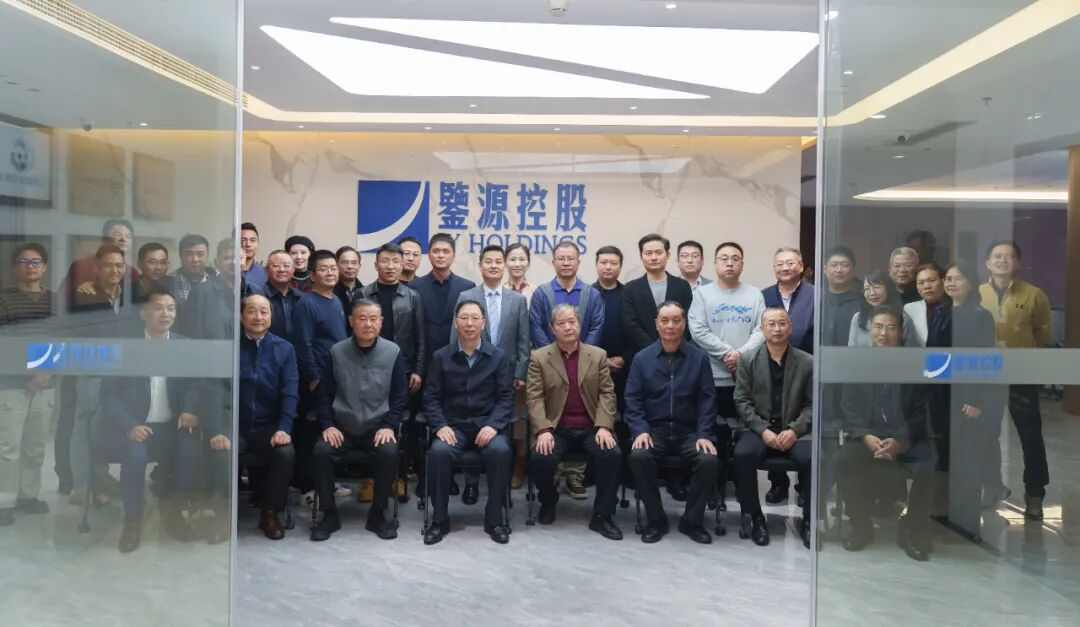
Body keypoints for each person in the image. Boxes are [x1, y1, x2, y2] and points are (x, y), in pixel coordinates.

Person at [101, 287, 202, 552]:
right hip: (136, 428)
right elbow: (109, 395)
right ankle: (132, 518)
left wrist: (190, 410)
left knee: (190, 451)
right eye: (158, 308)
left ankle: (174, 512)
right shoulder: (126, 347)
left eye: (171, 309)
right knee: (135, 456)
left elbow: (194, 385)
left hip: (172, 425)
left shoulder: (184, 346)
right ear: (144, 313)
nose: (165, 314)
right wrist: (129, 426)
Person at [838, 305, 934, 561]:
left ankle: (911, 528)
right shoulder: (857, 364)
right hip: (867, 437)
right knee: (843, 461)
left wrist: (901, 440)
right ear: (870, 331)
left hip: (905, 438)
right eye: (878, 327)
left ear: (901, 332)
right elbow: (848, 406)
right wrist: (865, 436)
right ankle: (860, 524)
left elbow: (923, 409)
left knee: (928, 465)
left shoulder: (915, 364)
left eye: (891, 328)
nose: (884, 333)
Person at [310, 298, 407, 541]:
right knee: (321, 451)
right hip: (342, 427)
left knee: (389, 452)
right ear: (351, 321)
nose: (368, 324)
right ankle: (329, 513)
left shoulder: (393, 352)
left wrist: (389, 426)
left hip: (377, 427)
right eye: (362, 318)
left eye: (373, 319)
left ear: (381, 322)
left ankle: (378, 513)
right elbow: (324, 395)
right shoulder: (336, 352)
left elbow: (399, 396)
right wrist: (328, 425)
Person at [625, 301, 719, 544]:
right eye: (664, 320)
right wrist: (640, 430)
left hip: (689, 432)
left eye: (676, 320)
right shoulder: (642, 358)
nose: (670, 325)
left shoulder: (698, 358)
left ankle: (692, 521)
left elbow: (707, 399)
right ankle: (656, 519)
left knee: (708, 460)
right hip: (654, 431)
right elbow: (633, 400)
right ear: (656, 324)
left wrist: (704, 434)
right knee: (639, 457)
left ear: (684, 324)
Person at [527, 304, 623, 540]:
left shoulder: (597, 355)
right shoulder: (539, 357)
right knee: (541, 458)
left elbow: (608, 394)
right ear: (552, 328)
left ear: (580, 325)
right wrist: (543, 429)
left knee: (611, 454)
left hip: (591, 426)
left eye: (572, 321)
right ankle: (548, 500)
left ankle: (602, 515)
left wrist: (604, 426)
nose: (568, 327)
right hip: (556, 428)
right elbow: (534, 397)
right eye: (561, 323)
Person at [422, 300, 515, 545]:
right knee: (438, 452)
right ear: (456, 322)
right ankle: (439, 520)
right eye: (464, 318)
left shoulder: (498, 357)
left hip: (488, 426)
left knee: (501, 451)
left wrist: (493, 425)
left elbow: (506, 397)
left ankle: (495, 519)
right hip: (454, 426)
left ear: (483, 323)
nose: (470, 323)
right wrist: (441, 426)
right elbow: (430, 397)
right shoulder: (441, 357)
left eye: (475, 318)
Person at [979, 240, 1051, 521]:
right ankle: (993, 486)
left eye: (1009, 256)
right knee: (986, 435)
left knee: (1030, 436)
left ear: (1018, 263)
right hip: (987, 376)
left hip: (1021, 376)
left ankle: (1034, 494)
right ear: (987, 263)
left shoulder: (1034, 295)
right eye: (996, 256)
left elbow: (1042, 335)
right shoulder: (977, 294)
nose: (1002, 261)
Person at [688, 241, 765, 505]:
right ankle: (714, 488)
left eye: (735, 258)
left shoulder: (754, 294)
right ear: (715, 263)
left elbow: (762, 329)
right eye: (724, 258)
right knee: (714, 434)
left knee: (745, 435)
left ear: (742, 264)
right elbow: (698, 330)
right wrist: (727, 354)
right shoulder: (702, 294)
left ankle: (742, 489)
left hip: (745, 378)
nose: (729, 263)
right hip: (711, 378)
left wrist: (741, 354)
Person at [451, 245, 530, 492]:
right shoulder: (466, 296)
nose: (494, 265)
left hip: (507, 376)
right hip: (473, 374)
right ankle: (472, 481)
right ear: (480, 265)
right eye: (489, 261)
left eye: (498, 261)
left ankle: (501, 482)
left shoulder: (517, 300)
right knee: (474, 420)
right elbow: (455, 337)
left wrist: (520, 372)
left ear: (504, 265)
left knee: (501, 425)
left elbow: (523, 340)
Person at [733, 308, 813, 549]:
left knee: (813, 458)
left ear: (790, 327)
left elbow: (813, 404)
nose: (777, 329)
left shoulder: (807, 362)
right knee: (742, 455)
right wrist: (763, 429)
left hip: (795, 430)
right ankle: (755, 517)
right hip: (760, 429)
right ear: (762, 329)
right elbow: (742, 401)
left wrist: (795, 430)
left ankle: (809, 520)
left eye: (781, 324)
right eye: (771, 324)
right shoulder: (748, 359)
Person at [943, 261, 1009, 525]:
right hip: (946, 392)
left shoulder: (980, 315)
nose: (951, 283)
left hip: (968, 395)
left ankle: (967, 519)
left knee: (968, 457)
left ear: (971, 283)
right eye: (948, 278)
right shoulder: (943, 311)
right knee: (952, 456)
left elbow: (984, 360)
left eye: (958, 278)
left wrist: (975, 399)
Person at [359, 243, 425, 501]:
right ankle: (369, 478)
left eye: (395, 261)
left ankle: (398, 478)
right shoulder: (363, 293)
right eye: (385, 261)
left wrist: (418, 370)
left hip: (403, 370)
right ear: (376, 264)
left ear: (402, 264)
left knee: (401, 425)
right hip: (367, 369)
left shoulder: (412, 296)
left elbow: (421, 337)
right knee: (368, 423)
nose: (390, 266)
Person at [0, 243, 55, 525]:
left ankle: (27, 496)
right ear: (15, 267)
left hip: (46, 383)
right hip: (10, 384)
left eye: (35, 262)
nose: (30, 266)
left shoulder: (56, 302)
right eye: (23, 262)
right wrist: (28, 375)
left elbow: (63, 341)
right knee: (8, 447)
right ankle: (4, 502)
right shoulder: (4, 300)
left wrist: (46, 372)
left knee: (35, 445)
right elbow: (4, 343)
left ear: (44, 267)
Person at [237, 293, 298, 540]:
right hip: (235, 426)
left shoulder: (284, 349)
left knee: (285, 453)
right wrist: (220, 429)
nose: (258, 317)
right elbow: (219, 391)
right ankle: (219, 514)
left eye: (264, 311)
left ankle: (270, 512)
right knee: (217, 452)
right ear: (241, 316)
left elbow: (290, 392)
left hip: (267, 427)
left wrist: (284, 428)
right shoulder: (231, 347)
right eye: (251, 311)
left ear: (271, 316)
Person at [291, 250, 349, 504]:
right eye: (323, 269)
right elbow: (303, 345)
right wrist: (313, 378)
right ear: (312, 275)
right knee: (310, 434)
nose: (330, 273)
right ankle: (308, 489)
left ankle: (327, 484)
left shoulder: (335, 300)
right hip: (315, 381)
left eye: (333, 268)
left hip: (335, 379)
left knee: (328, 433)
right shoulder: (307, 304)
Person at [622, 233, 694, 360]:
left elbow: (688, 320)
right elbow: (630, 324)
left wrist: (674, 345)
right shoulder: (630, 288)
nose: (654, 257)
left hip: (679, 353)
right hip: (643, 355)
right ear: (641, 256)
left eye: (658, 252)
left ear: (668, 255)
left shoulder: (682, 286)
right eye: (648, 253)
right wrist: (654, 349)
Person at [411, 233, 476, 370]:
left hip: (458, 360)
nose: (441, 255)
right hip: (424, 361)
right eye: (436, 251)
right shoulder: (415, 287)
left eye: (446, 251)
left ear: (454, 256)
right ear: (429, 255)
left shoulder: (467, 287)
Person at [530, 241, 605, 348]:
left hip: (584, 357)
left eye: (570, 259)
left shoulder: (592, 294)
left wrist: (582, 354)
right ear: (553, 262)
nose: (566, 263)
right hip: (549, 356)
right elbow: (536, 328)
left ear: (578, 263)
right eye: (561, 259)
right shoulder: (541, 293)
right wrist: (550, 354)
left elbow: (596, 328)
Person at [59, 218, 139, 303]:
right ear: (104, 240)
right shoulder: (81, 266)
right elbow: (61, 301)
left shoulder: (132, 272)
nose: (123, 239)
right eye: (117, 235)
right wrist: (79, 292)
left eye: (128, 236)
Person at [592, 245, 627, 409]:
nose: (608, 267)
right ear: (596, 264)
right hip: (592, 365)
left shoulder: (629, 294)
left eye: (613, 263)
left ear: (620, 266)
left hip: (625, 365)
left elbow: (634, 330)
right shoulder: (587, 294)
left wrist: (624, 358)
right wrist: (601, 360)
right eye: (603, 262)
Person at [762, 247, 814, 354]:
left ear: (801, 266)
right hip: (771, 358)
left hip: (808, 358)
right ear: (774, 268)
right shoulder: (763, 296)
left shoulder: (816, 295)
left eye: (790, 263)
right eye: (780, 264)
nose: (785, 268)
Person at [848, 270, 915, 347]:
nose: (872, 293)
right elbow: (851, 349)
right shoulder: (858, 318)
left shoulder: (903, 318)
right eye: (867, 289)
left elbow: (911, 350)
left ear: (888, 289)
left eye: (876, 287)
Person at [820, 246, 861, 347]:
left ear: (853, 269)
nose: (839, 270)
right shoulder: (817, 296)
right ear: (825, 269)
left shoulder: (864, 296)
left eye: (845, 265)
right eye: (834, 265)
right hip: (822, 354)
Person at [903, 263, 951, 348]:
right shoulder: (910, 309)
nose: (926, 286)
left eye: (931, 281)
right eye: (921, 283)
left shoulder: (954, 307)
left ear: (943, 281)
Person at [261, 250, 302, 343]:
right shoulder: (258, 297)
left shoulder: (300, 297)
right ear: (266, 270)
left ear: (293, 269)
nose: (281, 269)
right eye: (275, 266)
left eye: (286, 265)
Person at [170, 234, 216, 306]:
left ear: (207, 256)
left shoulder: (217, 282)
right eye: (189, 254)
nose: (195, 259)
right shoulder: (169, 283)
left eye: (200, 254)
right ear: (181, 256)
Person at [334, 246, 363, 315]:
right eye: (345, 262)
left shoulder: (366, 292)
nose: (350, 266)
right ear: (336, 265)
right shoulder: (329, 291)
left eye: (354, 263)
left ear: (359, 266)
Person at [241, 222, 267, 288]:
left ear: (258, 243)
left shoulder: (266, 273)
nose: (248, 244)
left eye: (252, 240)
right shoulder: (227, 272)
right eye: (243, 240)